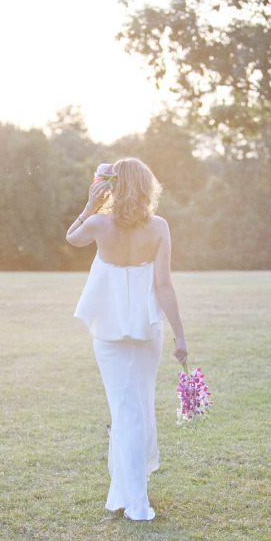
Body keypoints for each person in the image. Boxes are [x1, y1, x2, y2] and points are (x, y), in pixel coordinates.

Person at [66, 157, 188, 521]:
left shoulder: (99, 223)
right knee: (136, 407)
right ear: (147, 187)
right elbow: (164, 285)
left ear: (113, 186)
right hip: (148, 329)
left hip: (109, 329)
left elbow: (72, 238)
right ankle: (127, 489)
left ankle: (135, 500)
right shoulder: (160, 227)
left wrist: (89, 205)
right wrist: (180, 333)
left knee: (126, 410)